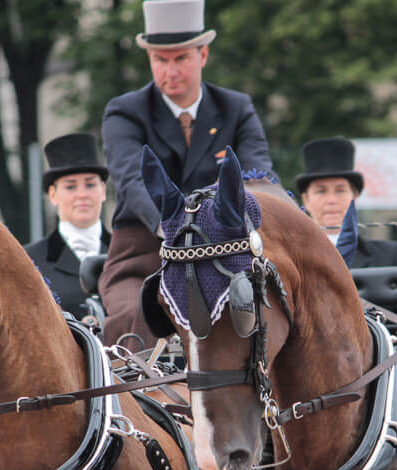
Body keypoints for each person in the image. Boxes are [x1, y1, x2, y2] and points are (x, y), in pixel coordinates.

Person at [98, 0, 273, 347]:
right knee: (136, 315)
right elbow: (133, 180)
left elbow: (258, 178)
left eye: (180, 58)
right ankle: (131, 385)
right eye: (159, 60)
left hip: (228, 253)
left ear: (203, 55)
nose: (170, 70)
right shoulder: (124, 112)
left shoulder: (236, 108)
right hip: (143, 257)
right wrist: (177, 227)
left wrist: (222, 226)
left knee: (270, 311)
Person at [298, 136, 397, 338]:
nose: (331, 200)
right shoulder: (293, 258)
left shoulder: (390, 256)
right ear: (306, 200)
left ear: (354, 197)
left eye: (340, 190)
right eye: (321, 191)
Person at [25, 133, 111, 320]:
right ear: (53, 194)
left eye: (90, 184)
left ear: (103, 190)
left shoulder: (126, 254)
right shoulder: (29, 260)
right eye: (71, 187)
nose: (82, 194)